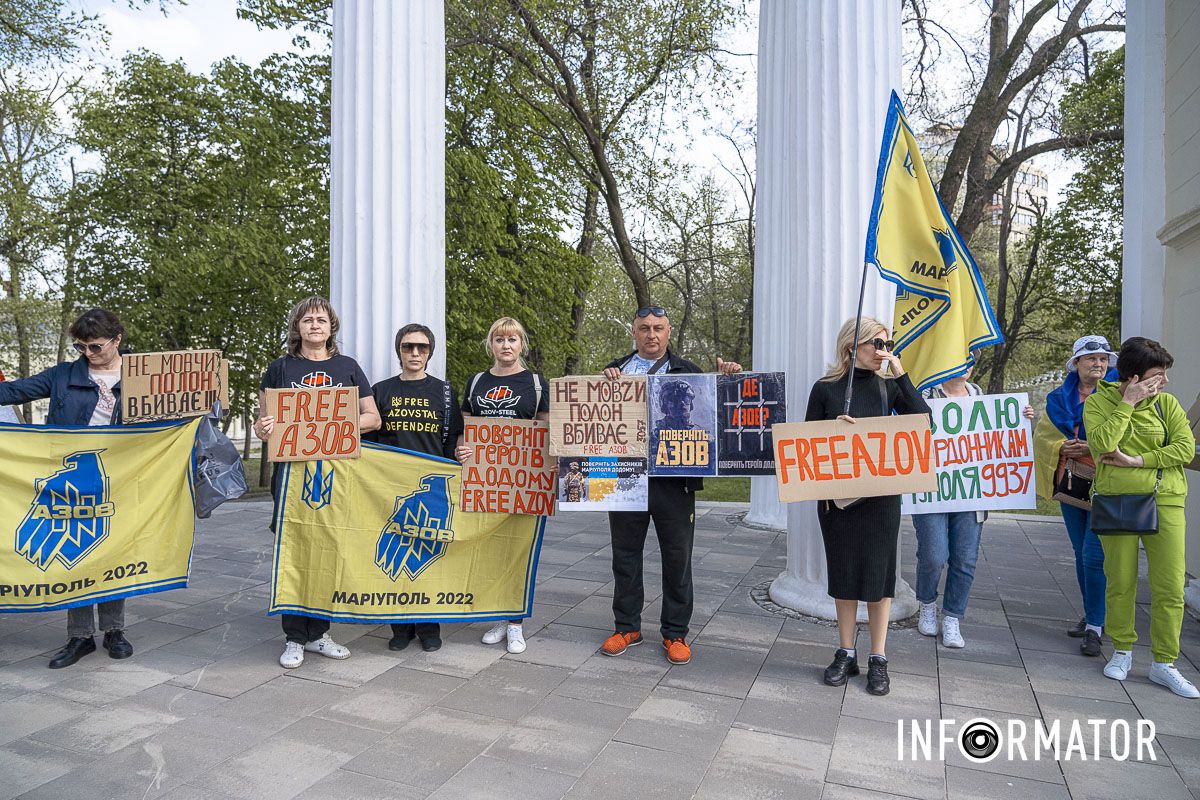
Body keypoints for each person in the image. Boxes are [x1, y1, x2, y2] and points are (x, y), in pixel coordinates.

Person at [598, 305, 741, 666]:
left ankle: (675, 633)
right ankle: (626, 626)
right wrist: (602, 385)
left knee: (677, 558)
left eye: (658, 328)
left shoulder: (689, 372)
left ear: (669, 331)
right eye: (644, 328)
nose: (651, 334)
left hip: (675, 483)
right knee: (625, 556)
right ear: (633, 331)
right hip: (625, 477)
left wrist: (726, 380)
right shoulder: (614, 372)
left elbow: (718, 416)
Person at [0, 309, 137, 668]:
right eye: (81, 346)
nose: (88, 354)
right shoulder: (64, 374)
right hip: (72, 479)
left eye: (96, 347)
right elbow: (14, 391)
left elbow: (172, 411)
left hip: (121, 477)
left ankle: (114, 630)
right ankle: (80, 637)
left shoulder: (142, 375)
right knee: (77, 554)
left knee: (113, 553)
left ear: (117, 339)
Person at [254, 296, 381, 669]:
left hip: (335, 475)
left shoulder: (348, 367)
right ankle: (294, 636)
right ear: (297, 328)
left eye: (321, 320)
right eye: (307, 320)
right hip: (292, 475)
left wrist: (330, 426)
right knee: (293, 550)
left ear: (331, 328)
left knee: (328, 548)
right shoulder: (280, 368)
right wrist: (263, 428)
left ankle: (319, 633)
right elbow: (264, 424)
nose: (314, 326)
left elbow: (372, 419)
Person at [806, 317, 930, 696]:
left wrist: (901, 375)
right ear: (852, 346)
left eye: (887, 343)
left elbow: (924, 422)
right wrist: (833, 432)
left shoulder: (886, 386)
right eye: (877, 344)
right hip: (838, 501)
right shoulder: (826, 389)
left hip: (881, 500)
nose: (884, 351)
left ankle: (879, 657)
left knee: (879, 578)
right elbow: (806, 443)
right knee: (844, 576)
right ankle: (846, 651)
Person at [1084, 337, 1197, 698]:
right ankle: (1122, 652)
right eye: (1156, 376)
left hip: (1166, 500)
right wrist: (1127, 405)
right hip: (1118, 501)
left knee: (1169, 587)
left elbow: (1184, 447)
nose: (1163, 382)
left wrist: (1136, 460)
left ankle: (1165, 663)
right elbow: (1102, 443)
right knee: (1120, 580)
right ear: (1132, 378)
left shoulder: (1168, 405)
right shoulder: (1100, 402)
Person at [913, 367, 1034, 649]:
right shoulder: (925, 395)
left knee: (965, 558)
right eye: (957, 359)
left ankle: (953, 616)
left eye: (969, 359)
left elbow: (1000, 442)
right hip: (932, 492)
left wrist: (1021, 419)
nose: (964, 366)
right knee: (933, 554)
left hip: (970, 493)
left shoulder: (982, 399)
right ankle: (927, 603)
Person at [366, 323, 464, 654]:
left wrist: (460, 456)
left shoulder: (446, 392)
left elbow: (452, 442)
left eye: (422, 347)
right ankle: (400, 627)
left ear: (430, 352)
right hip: (391, 488)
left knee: (426, 555)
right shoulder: (381, 391)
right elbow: (369, 441)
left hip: (433, 487)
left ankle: (428, 626)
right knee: (394, 549)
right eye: (408, 347)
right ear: (399, 351)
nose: (415, 353)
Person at [454, 317, 549, 654]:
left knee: (519, 552)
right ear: (490, 344)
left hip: (523, 480)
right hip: (485, 480)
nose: (506, 346)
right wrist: (461, 446)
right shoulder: (477, 380)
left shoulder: (537, 384)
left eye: (512, 339)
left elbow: (546, 429)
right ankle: (497, 616)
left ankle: (515, 623)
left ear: (522, 344)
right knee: (490, 551)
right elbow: (465, 424)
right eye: (499, 339)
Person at [1033, 335, 1118, 658]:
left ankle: (1096, 624)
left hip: (1106, 484)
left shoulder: (1117, 396)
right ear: (1077, 363)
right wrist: (1061, 446)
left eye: (1103, 359)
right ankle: (1092, 614)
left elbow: (1124, 431)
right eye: (1091, 359)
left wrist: (1092, 446)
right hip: (1071, 482)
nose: (1098, 364)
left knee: (1093, 555)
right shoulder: (1058, 398)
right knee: (1080, 551)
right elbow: (1044, 437)